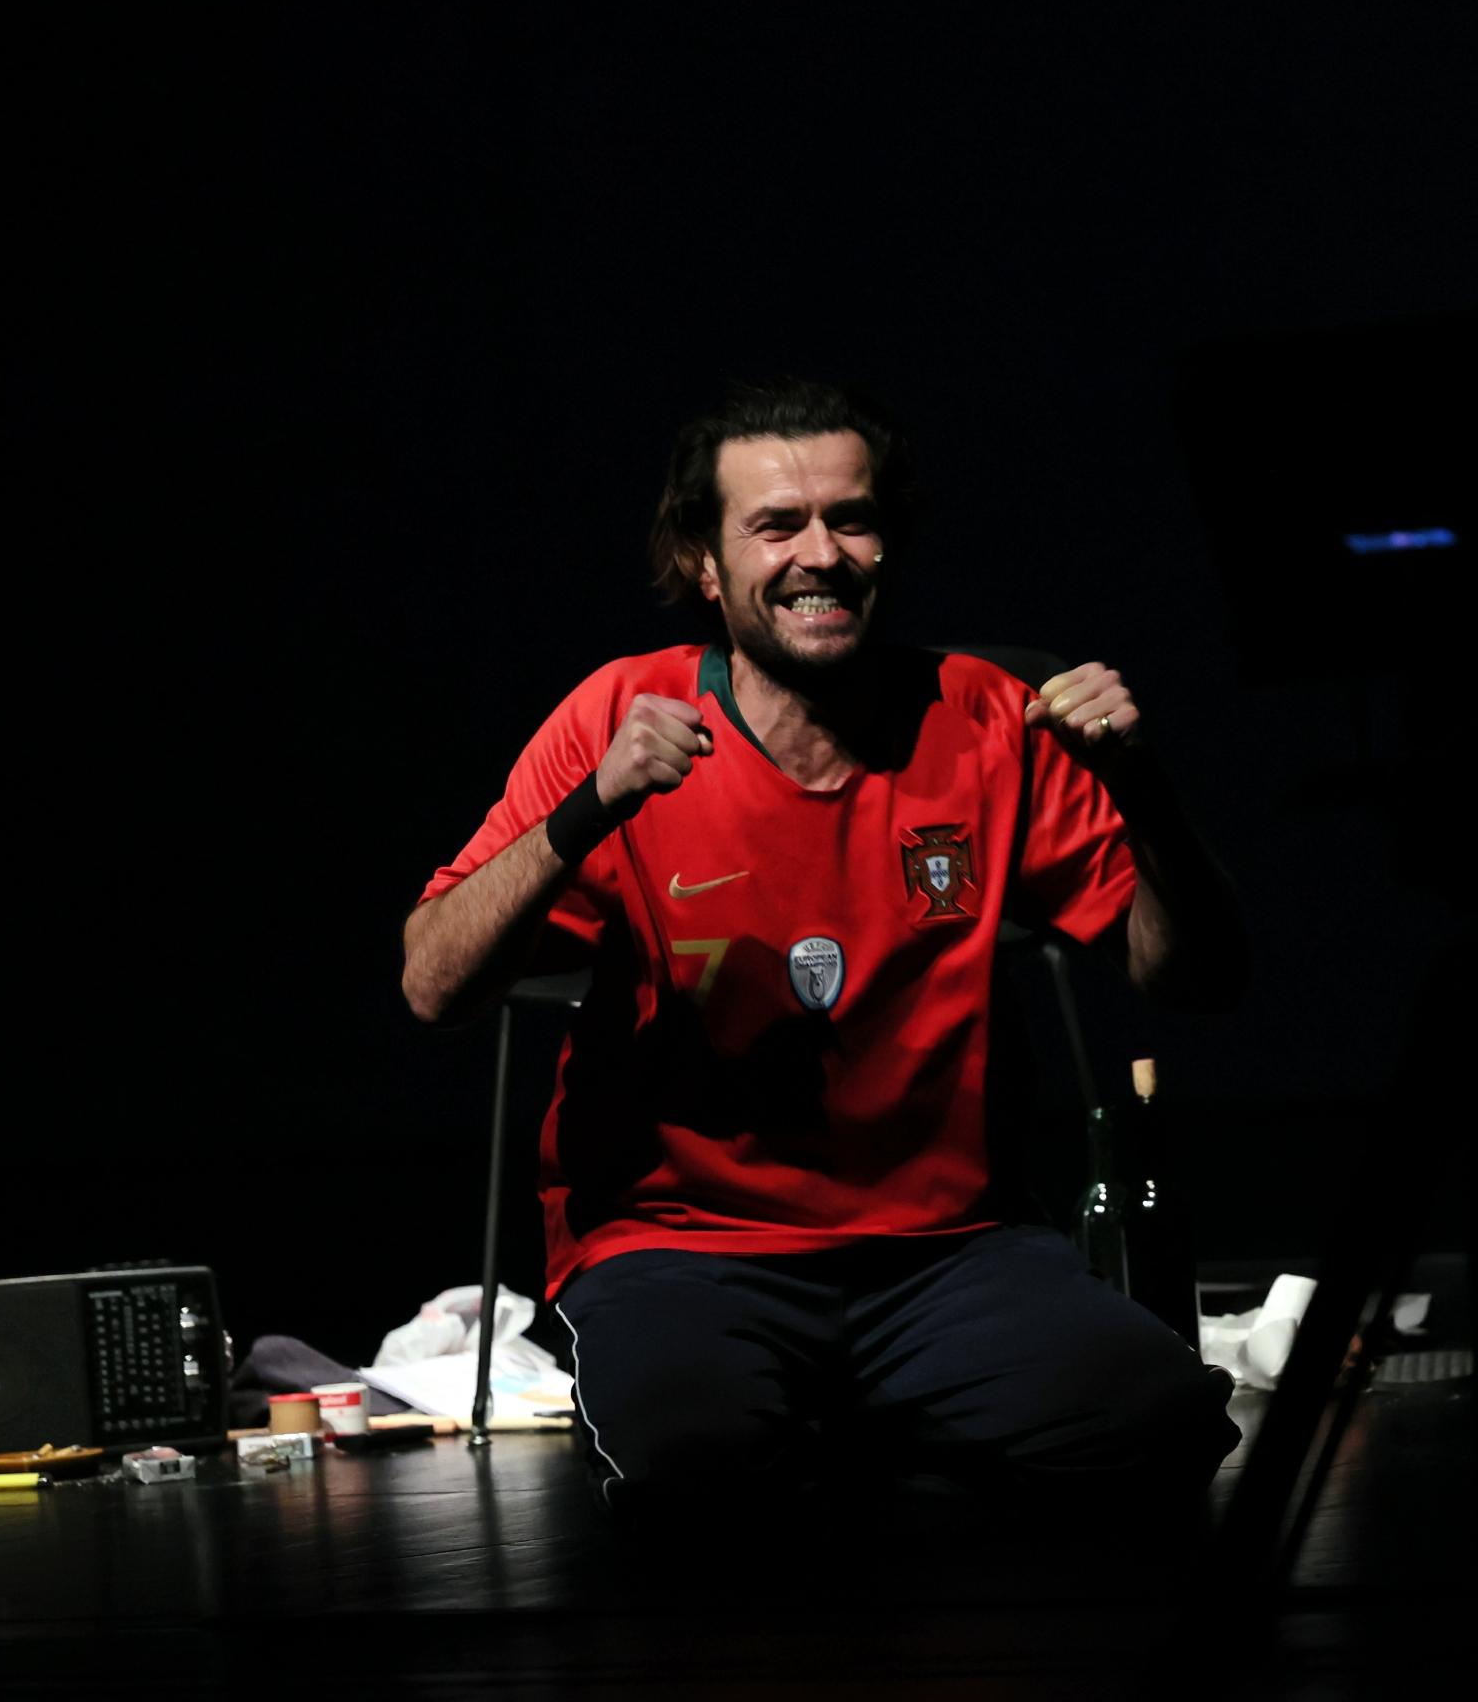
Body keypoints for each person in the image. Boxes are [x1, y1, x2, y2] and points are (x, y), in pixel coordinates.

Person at [403, 377, 1248, 1526]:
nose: (821, 554)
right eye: (776, 525)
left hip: (949, 1253)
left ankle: (856, 1445)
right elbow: (431, 984)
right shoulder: (619, 713)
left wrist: (1141, 789)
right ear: (703, 563)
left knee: (1163, 1425)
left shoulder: (985, 715)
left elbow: (1197, 978)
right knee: (692, 1465)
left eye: (849, 519)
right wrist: (586, 810)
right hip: (681, 1249)